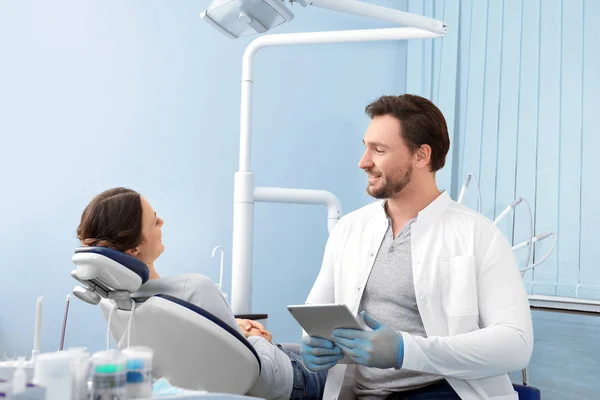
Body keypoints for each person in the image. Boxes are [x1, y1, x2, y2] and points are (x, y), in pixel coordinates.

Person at [300, 94, 534, 400]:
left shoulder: (479, 235)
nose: (363, 162)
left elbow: (516, 345)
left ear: (422, 156)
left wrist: (404, 351)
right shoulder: (349, 230)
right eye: (365, 146)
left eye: (379, 150)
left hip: (444, 391)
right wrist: (313, 346)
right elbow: (317, 315)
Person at [76, 187, 329, 400]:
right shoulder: (193, 289)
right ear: (133, 248)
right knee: (345, 366)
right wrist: (254, 337)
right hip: (288, 383)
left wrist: (236, 328)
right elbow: (242, 366)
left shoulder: (116, 304)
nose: (162, 222)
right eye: (154, 221)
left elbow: (195, 341)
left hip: (215, 379)